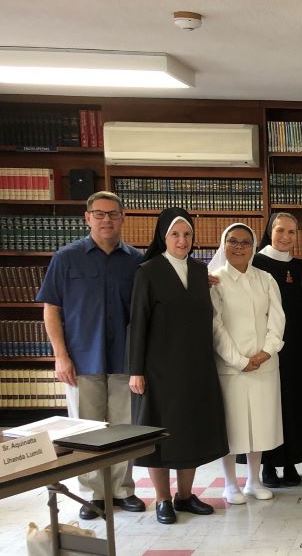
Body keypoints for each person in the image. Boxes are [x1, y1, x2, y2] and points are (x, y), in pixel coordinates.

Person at [36, 191, 146, 520]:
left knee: (124, 428)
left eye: (113, 214)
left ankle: (123, 490)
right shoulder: (66, 258)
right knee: (86, 430)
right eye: (99, 214)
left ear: (123, 217)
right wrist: (60, 356)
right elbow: (51, 309)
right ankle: (93, 495)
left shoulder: (137, 261)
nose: (106, 220)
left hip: (124, 360)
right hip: (82, 360)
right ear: (87, 218)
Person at [127, 207, 228, 524]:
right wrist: (136, 370)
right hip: (158, 370)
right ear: (162, 236)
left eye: (187, 234)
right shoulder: (149, 271)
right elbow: (138, 323)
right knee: (159, 435)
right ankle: (162, 499)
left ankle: (185, 495)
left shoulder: (200, 273)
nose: (182, 240)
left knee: (192, 432)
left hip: (197, 366)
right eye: (175, 234)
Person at [209, 223, 286, 504]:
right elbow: (215, 326)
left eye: (245, 242)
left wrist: (267, 351)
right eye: (233, 241)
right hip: (231, 368)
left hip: (264, 365)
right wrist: (239, 360)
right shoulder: (214, 280)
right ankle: (230, 484)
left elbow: (277, 318)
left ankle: (254, 480)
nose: (239, 247)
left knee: (260, 425)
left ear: (253, 247)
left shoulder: (265, 279)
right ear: (223, 244)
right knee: (233, 427)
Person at [253, 212, 302, 487]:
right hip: (267, 345)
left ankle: (290, 462)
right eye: (280, 230)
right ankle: (268, 464)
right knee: (270, 403)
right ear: (270, 232)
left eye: (292, 232)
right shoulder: (256, 262)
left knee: (294, 402)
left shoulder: (301, 266)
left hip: (296, 345)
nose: (285, 237)